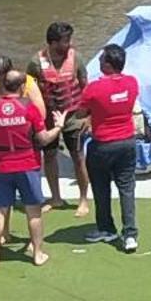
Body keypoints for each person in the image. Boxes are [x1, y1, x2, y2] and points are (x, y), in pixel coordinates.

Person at [0, 66, 57, 269]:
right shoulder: (29, 107)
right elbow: (43, 138)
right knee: (34, 211)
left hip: (2, 164)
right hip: (27, 163)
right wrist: (59, 126)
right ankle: (38, 254)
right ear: (22, 87)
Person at [80, 41, 142, 252]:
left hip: (102, 145)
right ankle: (130, 234)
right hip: (127, 143)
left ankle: (107, 228)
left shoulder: (94, 88)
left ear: (107, 64)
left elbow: (82, 111)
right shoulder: (132, 83)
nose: (98, 61)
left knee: (101, 188)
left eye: (101, 58)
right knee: (127, 188)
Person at [35, 21, 90, 217]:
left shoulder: (76, 58)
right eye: (66, 40)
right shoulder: (36, 62)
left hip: (73, 116)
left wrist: (88, 116)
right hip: (48, 117)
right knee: (49, 156)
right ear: (53, 42)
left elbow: (85, 85)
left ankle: (83, 199)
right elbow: (30, 91)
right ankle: (55, 196)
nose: (69, 43)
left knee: (78, 156)